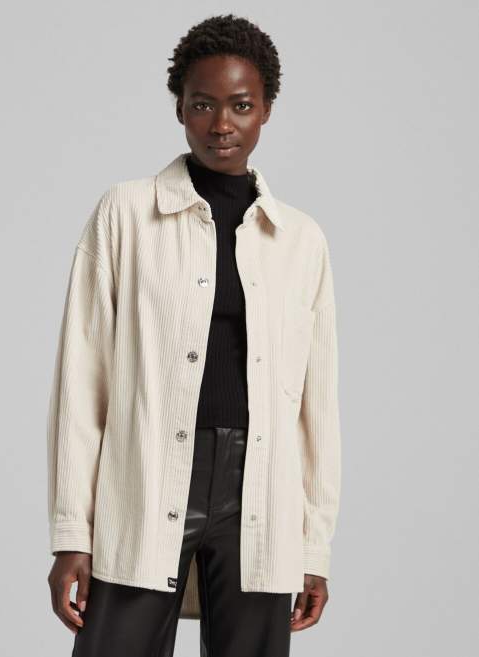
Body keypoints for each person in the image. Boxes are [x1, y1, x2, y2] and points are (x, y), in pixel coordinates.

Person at [46, 13, 342, 657]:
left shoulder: (301, 240)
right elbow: (82, 382)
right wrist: (72, 533)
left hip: (260, 494)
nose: (221, 124)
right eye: (203, 104)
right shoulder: (126, 214)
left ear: (266, 111)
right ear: (180, 108)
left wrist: (312, 548)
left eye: (242, 105)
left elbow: (316, 409)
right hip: (146, 477)